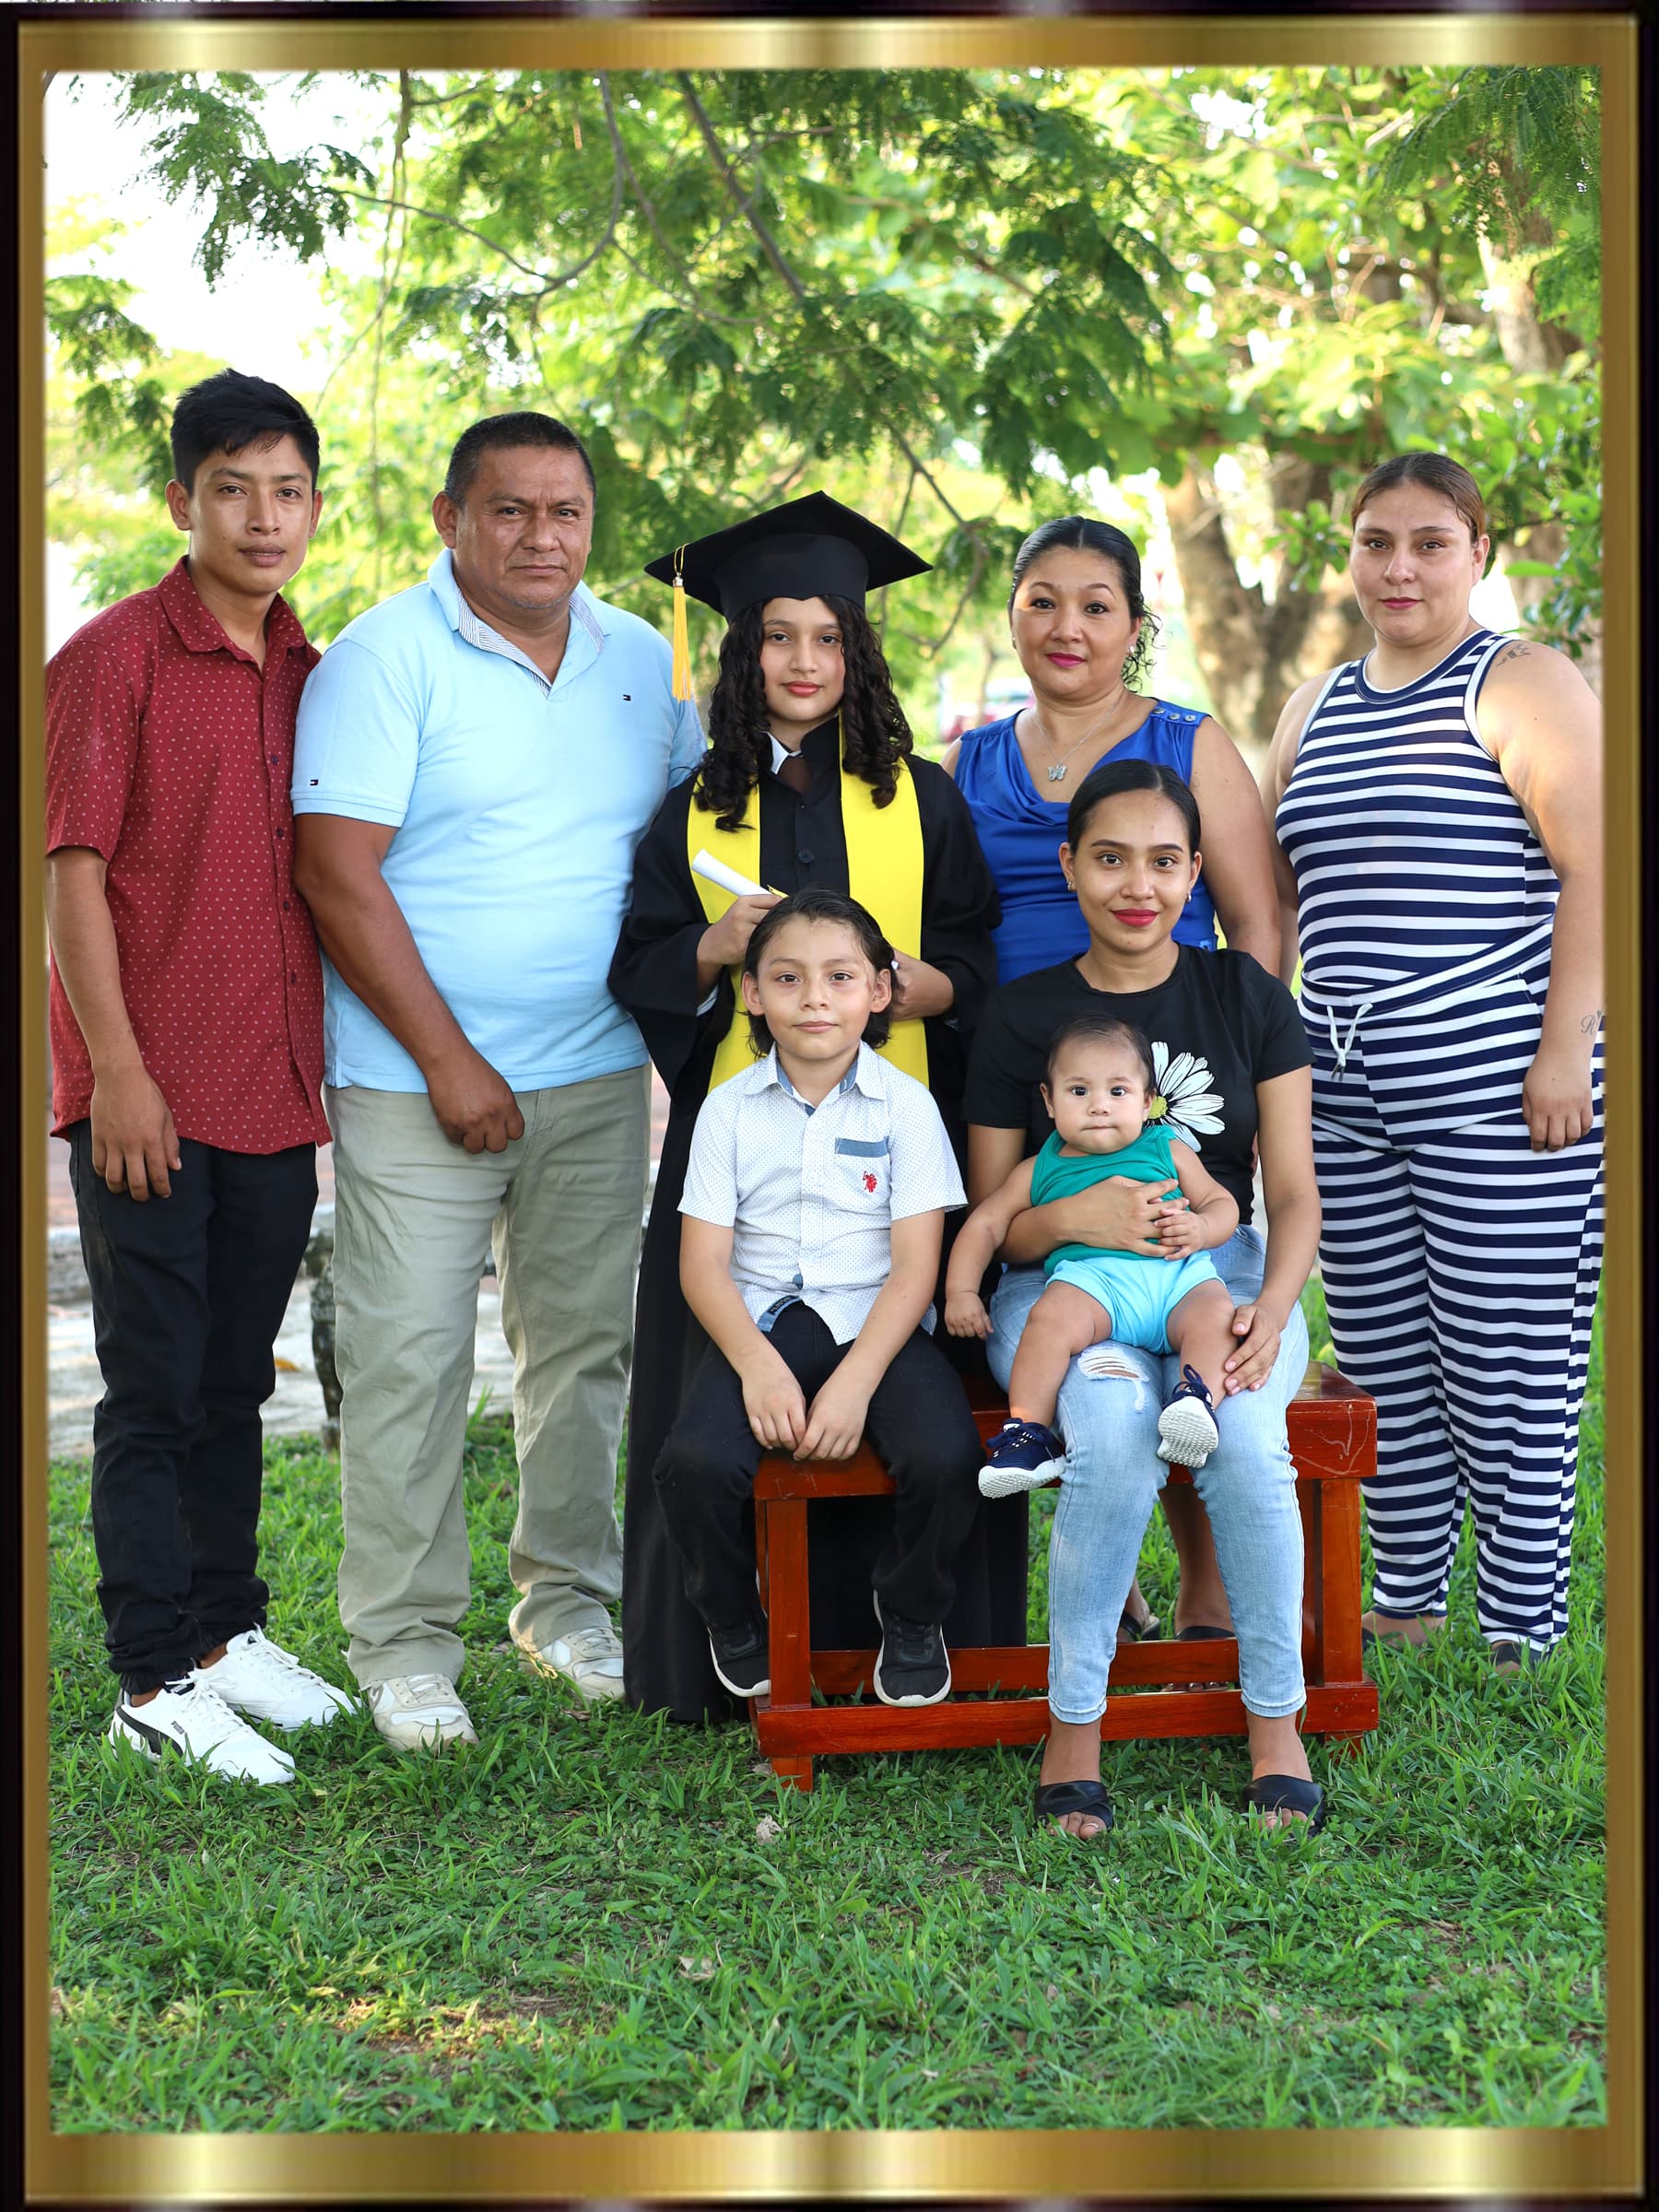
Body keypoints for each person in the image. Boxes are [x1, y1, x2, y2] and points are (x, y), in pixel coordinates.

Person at [291, 410, 702, 1752]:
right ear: (449, 517)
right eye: (510, 509)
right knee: (410, 1360)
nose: (542, 536)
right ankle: (406, 1647)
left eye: (566, 512)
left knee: (581, 1355)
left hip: (593, 1076)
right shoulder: (380, 661)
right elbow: (335, 875)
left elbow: (716, 825)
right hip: (418, 1084)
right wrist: (451, 1059)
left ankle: (568, 1606)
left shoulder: (639, 663)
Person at [608, 490, 1008, 1724]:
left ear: (858, 651)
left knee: (919, 1413)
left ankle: (920, 1634)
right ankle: (730, 1652)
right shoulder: (695, 808)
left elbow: (976, 961)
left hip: (895, 1150)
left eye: (826, 638)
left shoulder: (922, 795)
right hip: (743, 1145)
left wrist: (894, 988)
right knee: (721, 1416)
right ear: (745, 652)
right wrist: (714, 951)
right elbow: (638, 968)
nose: (802, 661)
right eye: (778, 637)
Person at [46, 368, 353, 1785]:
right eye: (233, 488)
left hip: (275, 1088)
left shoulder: (311, 667)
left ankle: (227, 1634)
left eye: (287, 490)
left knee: (236, 1383)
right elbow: (73, 875)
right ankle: (151, 1673)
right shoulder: (111, 661)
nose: (263, 515)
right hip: (147, 1096)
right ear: (182, 503)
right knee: (155, 1390)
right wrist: (115, 1068)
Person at [1264, 453, 1603, 1677]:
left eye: (1430, 542)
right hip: (1343, 1088)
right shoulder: (1315, 706)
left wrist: (1565, 1047)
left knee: (1503, 1355)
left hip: (1500, 1077)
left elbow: (1594, 870)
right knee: (1384, 1351)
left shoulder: (1519, 682)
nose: (1399, 565)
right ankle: (1404, 1596)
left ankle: (1519, 1623)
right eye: (1375, 541)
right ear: (1347, 555)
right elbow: (1276, 894)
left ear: (1479, 554)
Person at [966, 759, 1324, 1837]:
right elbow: (998, 1222)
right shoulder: (1024, 1016)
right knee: (1116, 1434)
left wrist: (1273, 1302)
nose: (1139, 885)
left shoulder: (1245, 995)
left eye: (1165, 861)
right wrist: (1081, 1219)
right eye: (1111, 858)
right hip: (1062, 1290)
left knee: (1251, 1438)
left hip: (1221, 1281)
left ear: (1198, 872)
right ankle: (1077, 1721)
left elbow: (1294, 1195)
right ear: (1070, 867)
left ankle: (1275, 1719)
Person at [947, 516, 1281, 1644]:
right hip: (1030, 1083)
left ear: (1135, 626)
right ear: (1014, 616)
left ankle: (1203, 1581)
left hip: (1168, 1075)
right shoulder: (976, 758)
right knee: (1064, 1306)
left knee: (1169, 1289)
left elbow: (1256, 927)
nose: (1068, 626)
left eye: (1096, 604)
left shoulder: (1193, 743)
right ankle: (1102, 1558)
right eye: (1042, 600)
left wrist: (1232, 1066)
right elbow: (959, 926)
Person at [654, 888, 982, 1707]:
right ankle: (730, 1616)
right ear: (753, 994)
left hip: (879, 1321)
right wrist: (759, 1370)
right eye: (788, 979)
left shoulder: (909, 1105)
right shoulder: (726, 1112)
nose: (814, 999)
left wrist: (858, 1380)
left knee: (947, 1458)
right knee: (691, 1464)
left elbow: (916, 1269)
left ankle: (911, 1611)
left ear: (879, 991)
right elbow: (701, 1267)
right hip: (763, 1321)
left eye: (840, 977)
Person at [947, 1015, 1240, 1491]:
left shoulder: (1167, 1148)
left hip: (1177, 1277)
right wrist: (960, 1290)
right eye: (1079, 1091)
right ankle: (1029, 1434)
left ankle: (1194, 1399)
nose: (1099, 1106)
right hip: (1095, 1286)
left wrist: (1202, 1228)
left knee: (1215, 1314)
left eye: (1117, 1092)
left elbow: (1220, 1203)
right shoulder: (1040, 1167)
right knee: (1048, 1321)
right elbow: (985, 1223)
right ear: (1048, 1099)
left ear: (1147, 1102)